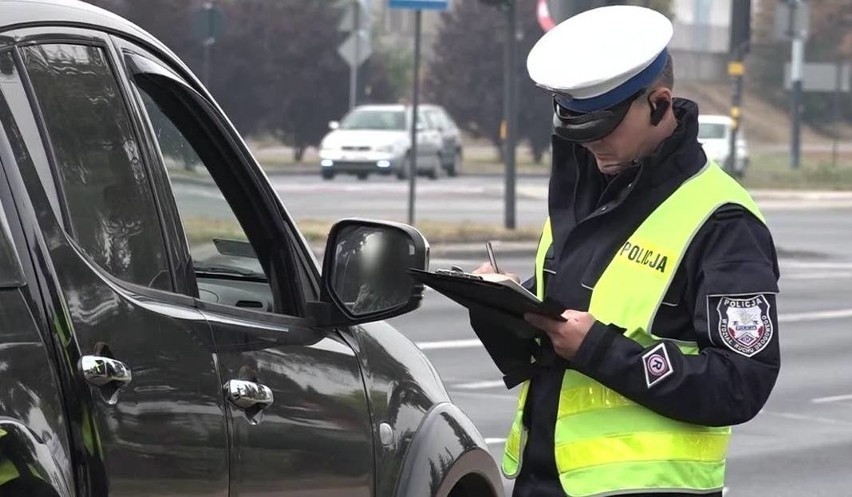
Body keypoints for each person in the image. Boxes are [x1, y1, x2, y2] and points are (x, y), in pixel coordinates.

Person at [469, 5, 781, 497]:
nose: (592, 146)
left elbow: (740, 383)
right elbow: (559, 339)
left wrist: (600, 349)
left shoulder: (722, 221)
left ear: (659, 103)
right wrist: (500, 307)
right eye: (577, 130)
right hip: (544, 482)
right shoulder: (584, 197)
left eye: (602, 128)